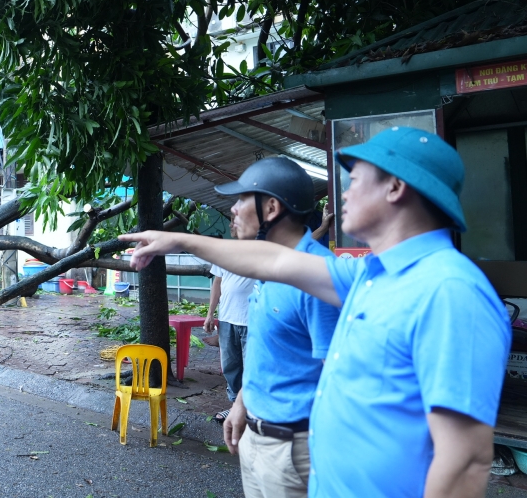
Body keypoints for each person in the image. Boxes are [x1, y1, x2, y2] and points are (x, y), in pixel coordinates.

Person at [123, 127, 510, 497]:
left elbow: (464, 461)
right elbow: (275, 261)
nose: (342, 193)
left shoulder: (449, 292)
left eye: (356, 180)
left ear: (396, 186)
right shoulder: (368, 275)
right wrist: (176, 240)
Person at [209, 158, 340, 498]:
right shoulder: (268, 271)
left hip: (295, 450)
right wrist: (241, 403)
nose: (233, 210)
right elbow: (268, 351)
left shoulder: (317, 277)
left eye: (241, 200)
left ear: (271, 207)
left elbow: (339, 374)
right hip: (256, 438)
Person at [204, 240, 254, 418]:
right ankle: (235, 408)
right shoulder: (223, 252)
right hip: (227, 318)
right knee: (230, 366)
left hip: (252, 320)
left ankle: (251, 412)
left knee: (252, 368)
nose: (234, 223)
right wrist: (210, 314)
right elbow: (217, 283)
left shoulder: (262, 248)